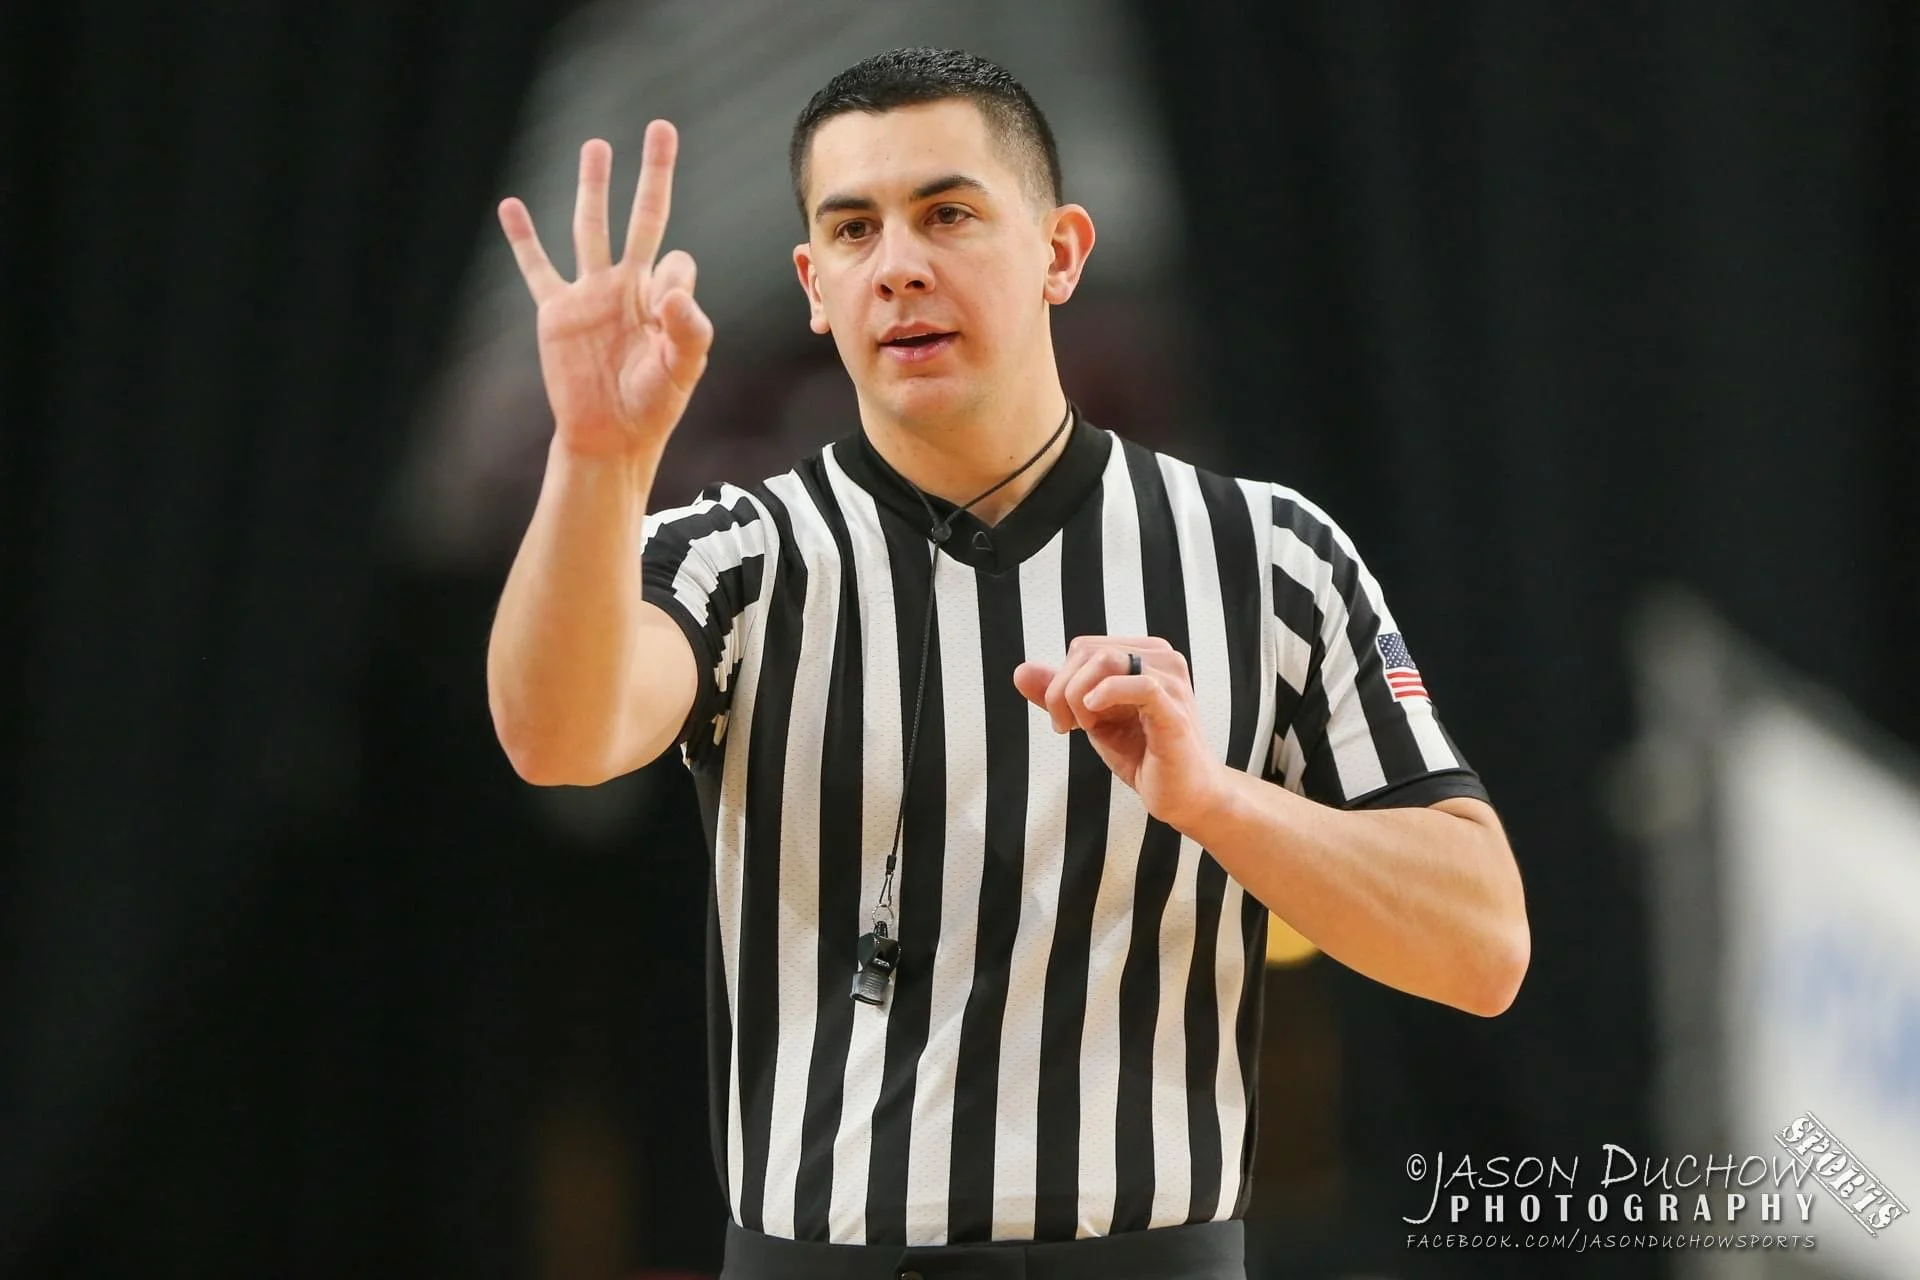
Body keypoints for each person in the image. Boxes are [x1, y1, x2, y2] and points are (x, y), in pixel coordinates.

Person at [486, 46, 1529, 1280]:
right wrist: (597, 459)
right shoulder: (735, 553)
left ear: (1062, 252)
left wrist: (1216, 801)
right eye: (854, 230)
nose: (901, 265)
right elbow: (556, 736)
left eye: (949, 213)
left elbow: (1481, 945)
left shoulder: (1269, 554)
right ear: (815, 288)